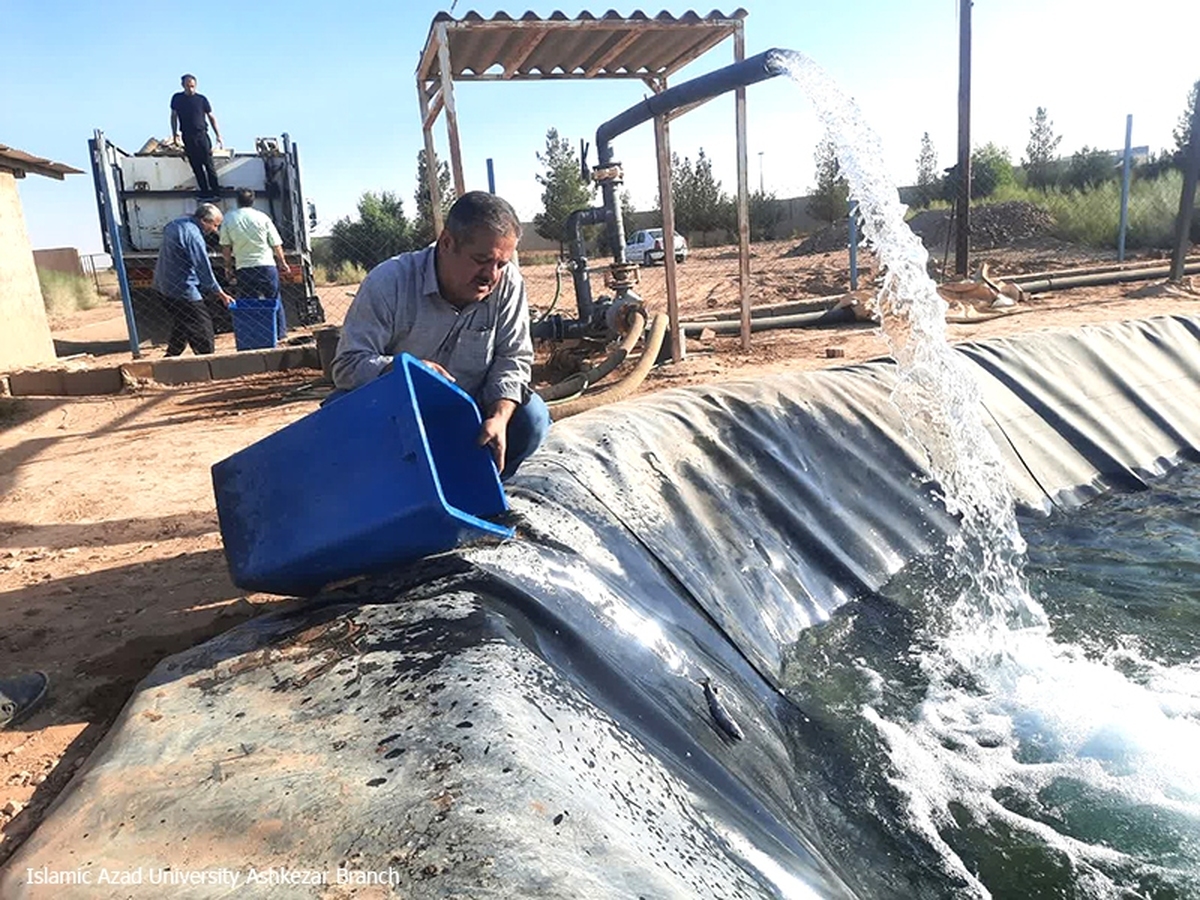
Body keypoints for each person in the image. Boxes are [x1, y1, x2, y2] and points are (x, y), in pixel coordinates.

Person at [331, 191, 550, 480]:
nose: (491, 275)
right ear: (447, 243)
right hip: (397, 414)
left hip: (471, 413)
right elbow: (347, 366)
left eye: (501, 264)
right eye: (481, 260)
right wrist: (402, 370)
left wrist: (498, 418)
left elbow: (513, 357)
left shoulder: (507, 284)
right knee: (338, 416)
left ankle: (482, 494)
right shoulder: (389, 282)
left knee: (532, 418)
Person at [153, 203, 235, 356]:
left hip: (162, 285)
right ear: (204, 221)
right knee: (202, 326)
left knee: (183, 321)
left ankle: (170, 358)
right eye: (215, 225)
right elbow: (202, 268)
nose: (215, 230)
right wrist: (220, 293)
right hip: (182, 288)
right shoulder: (194, 236)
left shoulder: (175, 224)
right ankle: (207, 362)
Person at [220, 188, 291, 339]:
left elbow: (226, 246)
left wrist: (228, 266)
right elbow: (275, 243)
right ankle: (280, 333)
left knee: (249, 302)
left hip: (244, 267)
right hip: (266, 265)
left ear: (237, 201)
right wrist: (282, 262)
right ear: (253, 201)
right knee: (274, 299)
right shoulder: (262, 217)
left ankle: (255, 333)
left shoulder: (229, 218)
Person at [170, 74, 223, 197]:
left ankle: (215, 191)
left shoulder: (201, 99)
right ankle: (204, 191)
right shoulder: (177, 98)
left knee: (208, 164)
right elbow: (173, 116)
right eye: (188, 86)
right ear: (183, 86)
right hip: (187, 135)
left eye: (193, 86)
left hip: (201, 134)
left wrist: (218, 135)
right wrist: (174, 134)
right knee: (196, 165)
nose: (191, 89)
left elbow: (211, 117)